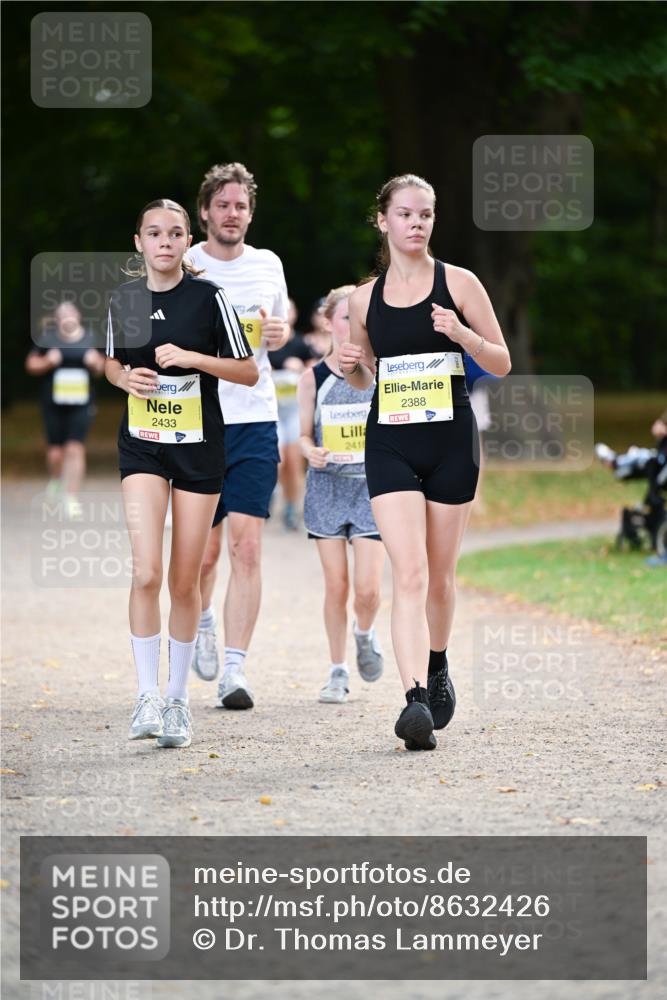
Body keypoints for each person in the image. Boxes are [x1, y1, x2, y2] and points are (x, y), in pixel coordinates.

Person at [340, 174, 511, 751]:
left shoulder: (459, 283)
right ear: (382, 220)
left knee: (439, 576)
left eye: (427, 214)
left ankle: (438, 663)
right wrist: (350, 368)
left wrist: (462, 334)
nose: (417, 223)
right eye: (406, 214)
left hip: (451, 444)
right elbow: (366, 376)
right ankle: (414, 700)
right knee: (407, 573)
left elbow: (503, 361)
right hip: (389, 440)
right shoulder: (362, 299)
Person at [105, 198, 257, 749]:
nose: (164, 241)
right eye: (154, 233)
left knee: (183, 578)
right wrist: (123, 380)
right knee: (145, 571)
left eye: (174, 233)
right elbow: (109, 360)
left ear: (186, 241)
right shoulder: (122, 299)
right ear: (139, 242)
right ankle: (146, 695)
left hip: (199, 451)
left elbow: (247, 370)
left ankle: (177, 700)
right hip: (143, 447)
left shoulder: (210, 299)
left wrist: (195, 359)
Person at [186, 163, 291, 704]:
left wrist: (281, 330)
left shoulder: (267, 263)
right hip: (198, 422)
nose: (233, 214)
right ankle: (202, 621)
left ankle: (235, 669)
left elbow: (283, 321)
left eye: (241, 206)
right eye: (223, 205)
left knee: (246, 548)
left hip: (254, 418)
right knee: (203, 557)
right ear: (205, 211)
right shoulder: (185, 263)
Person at [298, 285, 385, 703]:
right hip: (327, 489)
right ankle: (337, 671)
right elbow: (299, 436)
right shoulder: (311, 378)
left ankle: (364, 634)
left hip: (372, 490)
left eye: (360, 318)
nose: (353, 325)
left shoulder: (379, 373)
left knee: (367, 590)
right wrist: (308, 451)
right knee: (337, 586)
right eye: (345, 317)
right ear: (328, 322)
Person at [26, 301, 105, 518]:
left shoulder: (90, 338)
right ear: (58, 319)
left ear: (78, 316)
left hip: (82, 403)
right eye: (63, 314)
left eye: (71, 313)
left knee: (75, 448)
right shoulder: (48, 339)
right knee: (56, 453)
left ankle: (71, 497)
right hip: (53, 403)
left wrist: (94, 361)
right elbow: (31, 364)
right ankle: (55, 479)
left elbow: (103, 368)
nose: (68, 317)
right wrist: (48, 362)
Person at [270, 298, 315, 530]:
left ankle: (290, 508)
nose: (286, 313)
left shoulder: (300, 343)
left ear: (296, 314)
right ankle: (268, 496)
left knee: (294, 462)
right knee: (278, 460)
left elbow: (317, 369)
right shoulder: (264, 343)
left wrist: (302, 367)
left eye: (290, 309)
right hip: (273, 411)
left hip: (294, 411)